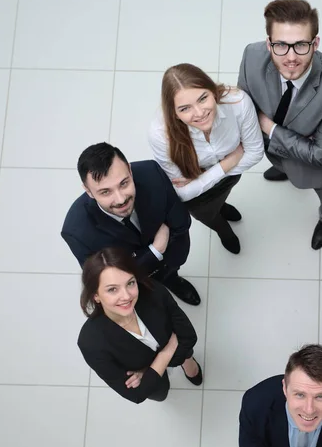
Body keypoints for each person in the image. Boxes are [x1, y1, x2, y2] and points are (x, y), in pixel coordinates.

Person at [238, 0, 322, 250]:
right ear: (268, 42)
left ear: (316, 43)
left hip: (319, 169)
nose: (291, 58)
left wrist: (268, 127)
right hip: (275, 149)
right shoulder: (251, 55)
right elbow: (242, 104)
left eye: (301, 45)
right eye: (280, 45)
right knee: (284, 164)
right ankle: (285, 169)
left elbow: (321, 154)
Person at [61, 142, 201, 306]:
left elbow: (182, 222)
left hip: (172, 256)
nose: (121, 199)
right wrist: (155, 250)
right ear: (88, 191)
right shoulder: (77, 232)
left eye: (124, 183)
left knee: (170, 273)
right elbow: (105, 279)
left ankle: (172, 280)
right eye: (105, 192)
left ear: (129, 169)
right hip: (135, 284)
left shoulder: (151, 173)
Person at [148, 63, 265, 254]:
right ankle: (224, 232)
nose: (200, 113)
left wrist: (202, 176)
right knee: (210, 216)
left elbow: (255, 152)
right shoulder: (160, 134)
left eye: (203, 98)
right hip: (200, 197)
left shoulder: (237, 102)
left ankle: (223, 207)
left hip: (229, 175)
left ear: (213, 92)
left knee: (221, 199)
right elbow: (183, 193)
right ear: (174, 113)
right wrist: (227, 163)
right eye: (185, 109)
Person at [77, 247, 202, 404]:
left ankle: (187, 362)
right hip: (159, 374)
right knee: (160, 393)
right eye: (112, 289)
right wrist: (167, 352)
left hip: (173, 357)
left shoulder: (152, 291)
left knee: (186, 353)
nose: (126, 296)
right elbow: (137, 394)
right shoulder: (90, 343)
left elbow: (189, 337)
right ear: (96, 296)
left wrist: (148, 372)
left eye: (130, 283)